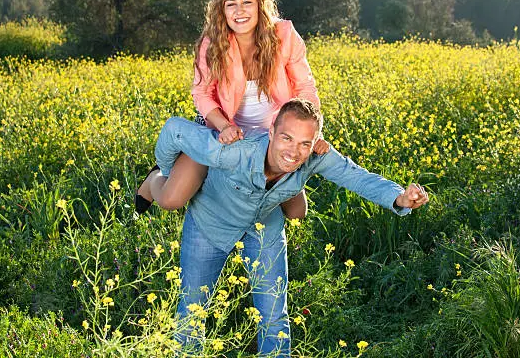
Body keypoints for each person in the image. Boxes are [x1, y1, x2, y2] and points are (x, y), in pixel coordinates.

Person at [154, 99, 429, 356]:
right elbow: (175, 129)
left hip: (265, 228)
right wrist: (166, 173)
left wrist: (399, 197)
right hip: (210, 224)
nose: (294, 152)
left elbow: (356, 176)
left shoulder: (314, 156)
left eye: (304, 143)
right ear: (271, 132)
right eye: (287, 138)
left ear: (314, 144)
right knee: (192, 310)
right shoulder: (235, 151)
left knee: (274, 316)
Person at [135, 0, 327, 218]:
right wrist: (224, 126)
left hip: (270, 140)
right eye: (231, 4)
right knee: (172, 199)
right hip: (223, 135)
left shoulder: (285, 35)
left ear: (259, 5)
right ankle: (153, 180)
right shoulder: (212, 43)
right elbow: (202, 93)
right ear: (222, 11)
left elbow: (305, 89)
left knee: (297, 213)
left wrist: (314, 134)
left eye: (247, 2)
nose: (240, 10)